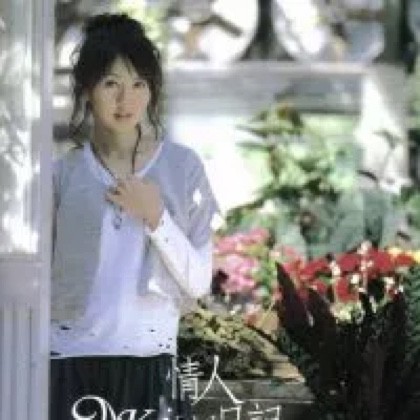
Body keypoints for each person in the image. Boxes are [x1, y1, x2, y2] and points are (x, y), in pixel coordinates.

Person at [50, 13, 220, 420]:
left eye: (139, 84)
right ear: (87, 89)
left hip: (150, 364)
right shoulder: (63, 174)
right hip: (70, 364)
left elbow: (199, 281)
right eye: (111, 84)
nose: (126, 100)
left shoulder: (182, 168)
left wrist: (157, 218)